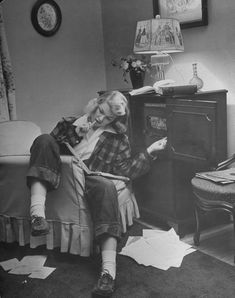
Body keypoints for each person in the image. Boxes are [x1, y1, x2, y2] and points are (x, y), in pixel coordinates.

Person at [26, 90, 167, 297]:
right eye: (101, 111)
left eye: (109, 117)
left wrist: (149, 151)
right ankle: (37, 215)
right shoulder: (69, 123)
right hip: (60, 176)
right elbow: (44, 153)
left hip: (88, 178)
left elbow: (125, 170)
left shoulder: (118, 138)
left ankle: (108, 273)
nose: (101, 118)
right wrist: (75, 134)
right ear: (96, 103)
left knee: (106, 186)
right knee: (43, 139)